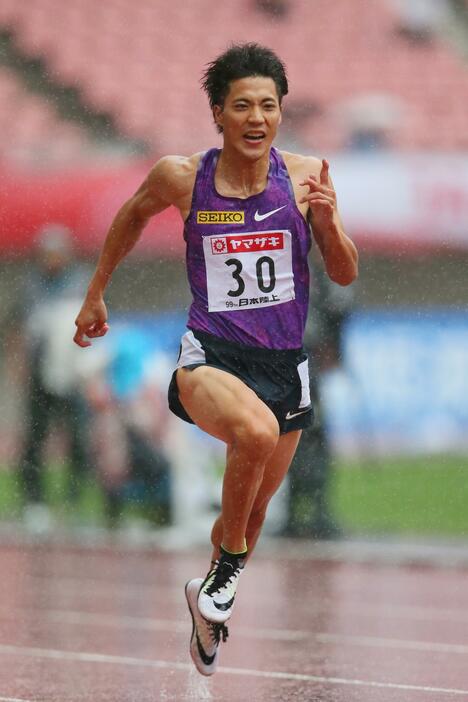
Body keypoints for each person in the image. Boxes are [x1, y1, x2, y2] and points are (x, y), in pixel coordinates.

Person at [73, 43, 358, 676]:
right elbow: (131, 215)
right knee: (252, 435)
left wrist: (330, 225)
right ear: (218, 114)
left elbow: (342, 271)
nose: (257, 118)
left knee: (252, 515)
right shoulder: (183, 176)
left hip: (286, 366)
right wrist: (96, 292)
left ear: (281, 113)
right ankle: (224, 576)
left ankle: (206, 597)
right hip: (211, 358)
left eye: (269, 105)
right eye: (243, 106)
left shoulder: (308, 175)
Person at [11, 224, 91, 533]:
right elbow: (19, 328)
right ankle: (35, 503)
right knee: (35, 438)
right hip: (39, 372)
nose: (51, 260)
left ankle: (73, 502)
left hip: (71, 372)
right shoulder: (30, 286)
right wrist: (19, 367)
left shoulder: (80, 283)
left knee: (77, 439)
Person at [282, 252, 355, 539]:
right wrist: (334, 343)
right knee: (312, 434)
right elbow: (340, 301)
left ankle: (295, 514)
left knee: (289, 434)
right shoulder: (321, 251)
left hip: (279, 354)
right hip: (303, 355)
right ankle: (316, 513)